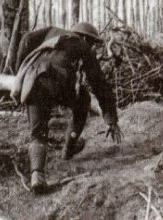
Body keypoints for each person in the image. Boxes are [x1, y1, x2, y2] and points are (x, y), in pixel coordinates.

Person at [13, 22, 122, 195]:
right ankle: (69, 148)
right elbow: (100, 85)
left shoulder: (51, 31)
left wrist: (18, 70)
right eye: (92, 42)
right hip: (57, 83)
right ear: (85, 38)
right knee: (84, 99)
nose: (92, 46)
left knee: (38, 132)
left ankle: (37, 176)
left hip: (33, 82)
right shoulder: (84, 47)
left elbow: (26, 39)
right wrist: (111, 119)